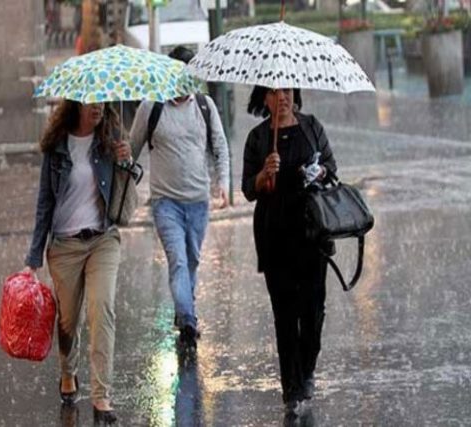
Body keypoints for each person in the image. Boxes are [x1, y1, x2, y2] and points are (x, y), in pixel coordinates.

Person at [115, 45, 230, 349]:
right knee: (178, 261)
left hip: (198, 201)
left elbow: (220, 145)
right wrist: (123, 159)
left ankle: (184, 313)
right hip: (165, 202)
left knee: (191, 260)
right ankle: (189, 322)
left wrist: (224, 184)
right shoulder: (151, 107)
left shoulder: (205, 106)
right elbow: (133, 147)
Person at [23, 100, 123, 424]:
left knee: (101, 309)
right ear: (77, 105)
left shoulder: (110, 139)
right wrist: (33, 258)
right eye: (92, 103)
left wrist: (126, 162)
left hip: (102, 240)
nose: (99, 108)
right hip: (64, 245)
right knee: (68, 321)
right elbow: (44, 203)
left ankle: (101, 396)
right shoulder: (58, 147)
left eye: (103, 103)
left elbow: (125, 193)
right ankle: (68, 371)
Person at [241, 87, 337, 420]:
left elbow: (331, 166)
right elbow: (248, 190)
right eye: (274, 92)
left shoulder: (312, 127)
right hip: (275, 235)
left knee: (313, 311)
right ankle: (291, 389)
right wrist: (264, 175)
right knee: (285, 314)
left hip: (312, 233)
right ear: (264, 99)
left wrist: (319, 171)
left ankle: (307, 368)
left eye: (287, 90)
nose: (282, 97)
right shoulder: (258, 139)